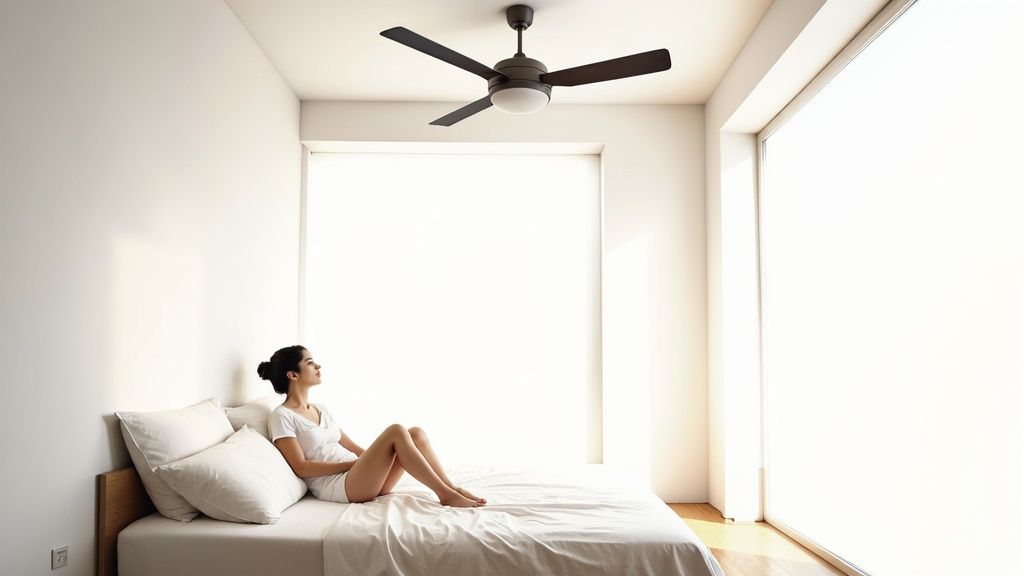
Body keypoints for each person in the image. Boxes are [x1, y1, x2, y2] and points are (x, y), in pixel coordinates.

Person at [257, 345, 485, 508]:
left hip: (360, 477)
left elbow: (354, 447)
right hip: (340, 485)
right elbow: (302, 468)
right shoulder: (281, 416)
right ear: (292, 375)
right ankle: (445, 495)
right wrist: (352, 465)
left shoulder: (321, 409)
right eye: (309, 363)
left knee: (415, 433)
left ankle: (452, 488)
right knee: (396, 430)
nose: (318, 365)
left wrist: (372, 461)